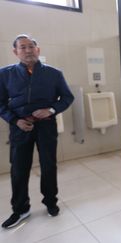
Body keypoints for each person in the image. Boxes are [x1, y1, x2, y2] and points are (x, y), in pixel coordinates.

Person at [0, 34, 74, 228]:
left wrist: (50, 110)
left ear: (38, 49)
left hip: (46, 126)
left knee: (49, 165)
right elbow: (0, 104)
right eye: (22, 47)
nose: (27, 50)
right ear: (15, 52)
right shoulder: (5, 74)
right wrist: (15, 121)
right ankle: (20, 209)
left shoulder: (54, 73)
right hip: (20, 127)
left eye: (31, 46)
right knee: (18, 169)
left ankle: (51, 202)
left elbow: (67, 97)